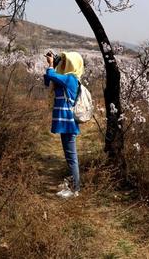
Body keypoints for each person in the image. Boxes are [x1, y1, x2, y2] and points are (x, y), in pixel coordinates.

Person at [44, 50, 84, 199]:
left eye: (67, 62)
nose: (64, 64)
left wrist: (51, 65)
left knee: (72, 157)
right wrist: (53, 65)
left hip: (68, 122)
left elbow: (51, 75)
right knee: (69, 156)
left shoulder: (71, 79)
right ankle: (73, 186)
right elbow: (47, 80)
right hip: (65, 122)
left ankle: (75, 189)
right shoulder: (65, 79)